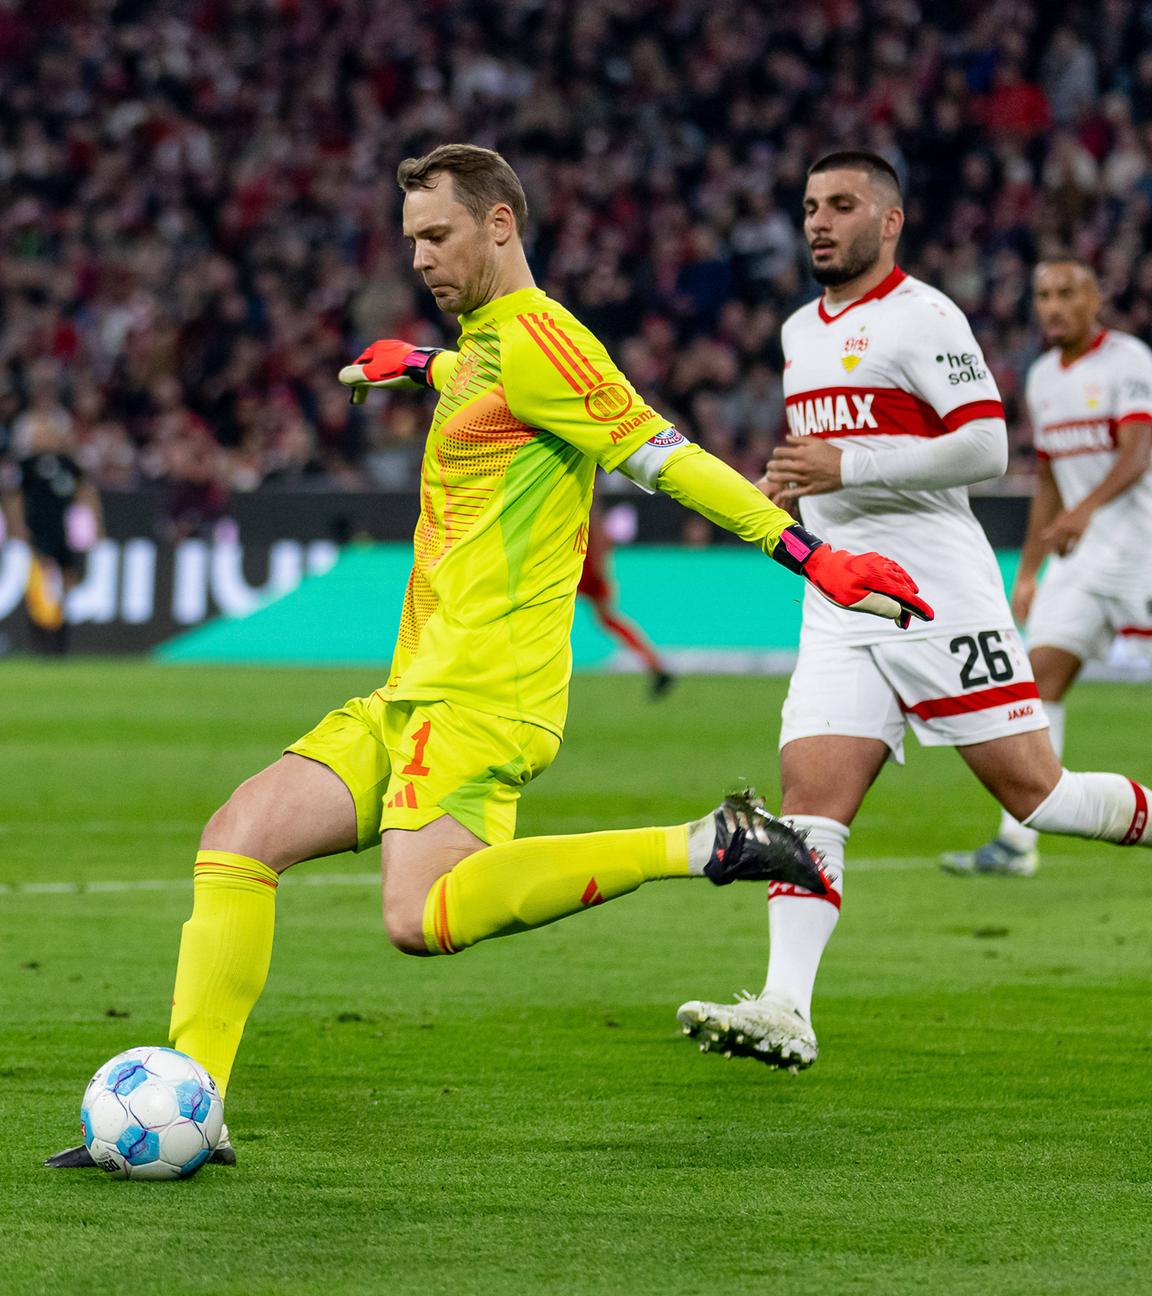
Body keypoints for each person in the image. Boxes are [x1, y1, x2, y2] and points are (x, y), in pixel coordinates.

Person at [47, 144, 929, 1168]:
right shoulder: (490, 343)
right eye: (411, 238)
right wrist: (416, 365)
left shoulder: (545, 338)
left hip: (482, 689)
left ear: (500, 225)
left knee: (420, 917)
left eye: (439, 235)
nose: (419, 258)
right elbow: (487, 380)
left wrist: (813, 556)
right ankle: (196, 1104)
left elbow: (667, 457)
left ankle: (702, 843)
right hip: (416, 682)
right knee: (238, 838)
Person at [677, 151, 1152, 1073]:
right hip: (838, 598)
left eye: (842, 205)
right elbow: (833, 452)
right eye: (810, 206)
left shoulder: (925, 316)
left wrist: (847, 468)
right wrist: (800, 486)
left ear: (888, 222)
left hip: (933, 590)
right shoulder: (793, 332)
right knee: (811, 801)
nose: (819, 221)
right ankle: (785, 1006)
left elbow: (984, 444)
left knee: (1039, 796)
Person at [941, 259, 1152, 876]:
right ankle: (1015, 843)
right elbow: (1051, 481)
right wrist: (1028, 571)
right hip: (1082, 563)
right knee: (1036, 682)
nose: (1053, 306)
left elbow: (1140, 452)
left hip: (1141, 553)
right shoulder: (1040, 379)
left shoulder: (1129, 362)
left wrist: (1086, 511)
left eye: (1067, 293)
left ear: (1095, 300)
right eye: (1043, 296)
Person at [1, 373, 104, 653]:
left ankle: (63, 626)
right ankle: (44, 633)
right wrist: (17, 526)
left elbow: (86, 491)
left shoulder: (69, 463)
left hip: (63, 530)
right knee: (43, 580)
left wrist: (95, 523)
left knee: (68, 578)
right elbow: (14, 497)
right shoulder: (28, 464)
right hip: (38, 528)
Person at [579, 500, 675, 698]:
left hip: (582, 567)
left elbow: (596, 531)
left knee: (607, 619)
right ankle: (655, 664)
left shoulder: (584, 499)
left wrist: (599, 568)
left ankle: (655, 665)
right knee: (609, 620)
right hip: (582, 565)